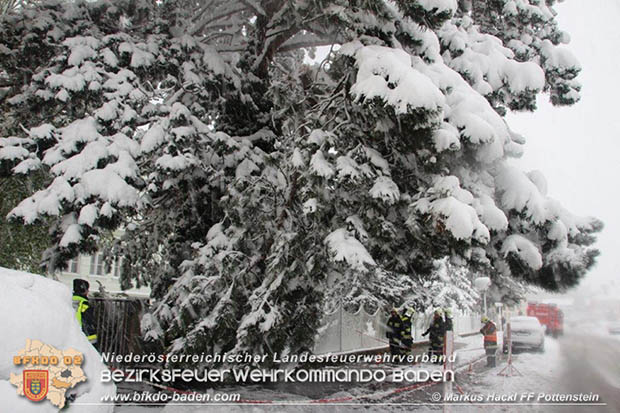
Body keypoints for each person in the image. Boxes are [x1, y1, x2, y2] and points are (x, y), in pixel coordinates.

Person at [72, 279, 98, 347]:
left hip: (70, 335)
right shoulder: (85, 304)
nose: (88, 291)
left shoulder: (68, 300)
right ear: (83, 289)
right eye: (87, 289)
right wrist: (93, 342)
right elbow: (87, 323)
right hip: (81, 337)